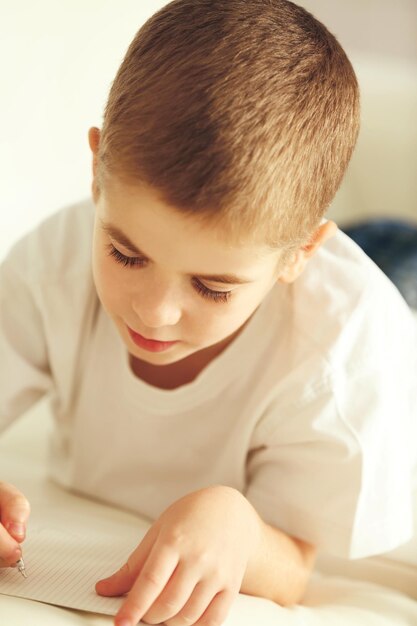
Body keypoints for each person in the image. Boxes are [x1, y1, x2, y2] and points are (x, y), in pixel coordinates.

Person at [1, 1, 416, 625]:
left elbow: (299, 562)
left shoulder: (341, 352)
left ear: (300, 252)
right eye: (125, 254)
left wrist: (242, 528)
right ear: (95, 171)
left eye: (212, 288)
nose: (155, 313)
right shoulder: (55, 261)